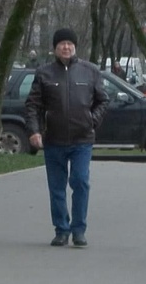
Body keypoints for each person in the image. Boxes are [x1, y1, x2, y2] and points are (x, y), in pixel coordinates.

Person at [24, 28, 109, 248]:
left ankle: (79, 230)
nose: (66, 47)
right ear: (55, 48)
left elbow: (103, 100)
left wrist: (92, 120)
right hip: (53, 140)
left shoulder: (90, 71)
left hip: (82, 139)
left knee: (80, 182)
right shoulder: (44, 73)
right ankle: (61, 229)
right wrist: (34, 131)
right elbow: (33, 105)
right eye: (61, 44)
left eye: (69, 44)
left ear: (75, 47)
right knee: (57, 188)